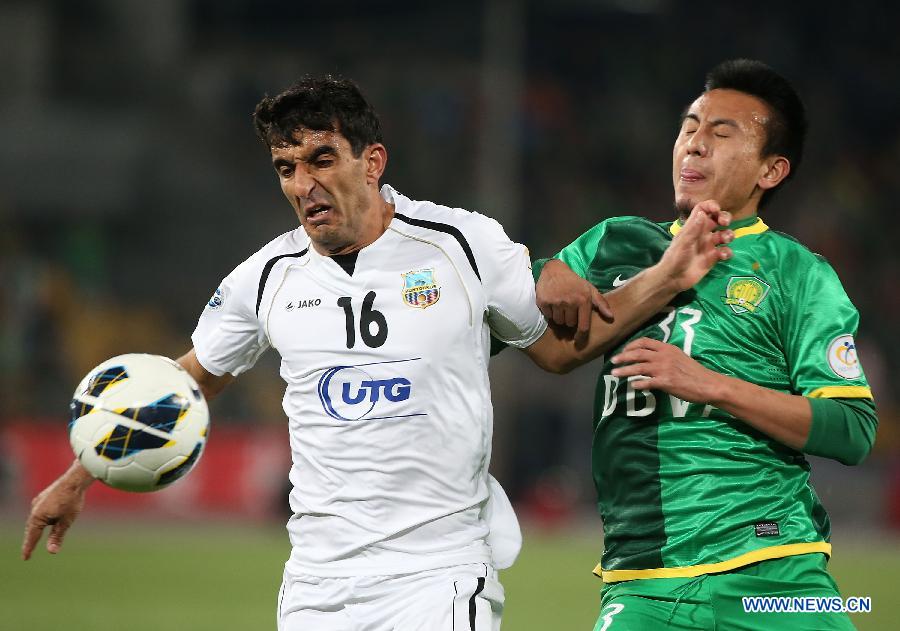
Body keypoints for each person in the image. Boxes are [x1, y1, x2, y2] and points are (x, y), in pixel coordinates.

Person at [22, 76, 733, 631]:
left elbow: (554, 349)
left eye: (321, 159)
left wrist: (667, 276)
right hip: (316, 583)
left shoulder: (462, 244)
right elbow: (186, 383)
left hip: (439, 572)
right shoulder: (265, 277)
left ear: (372, 162)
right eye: (285, 166)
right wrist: (80, 473)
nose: (303, 184)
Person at [536, 59, 877, 630]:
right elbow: (537, 341)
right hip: (643, 582)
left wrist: (708, 385)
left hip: (775, 573)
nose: (694, 145)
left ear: (771, 170)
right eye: (689, 127)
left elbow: (852, 429)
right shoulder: (615, 244)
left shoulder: (799, 274)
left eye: (722, 134)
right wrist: (542, 270)